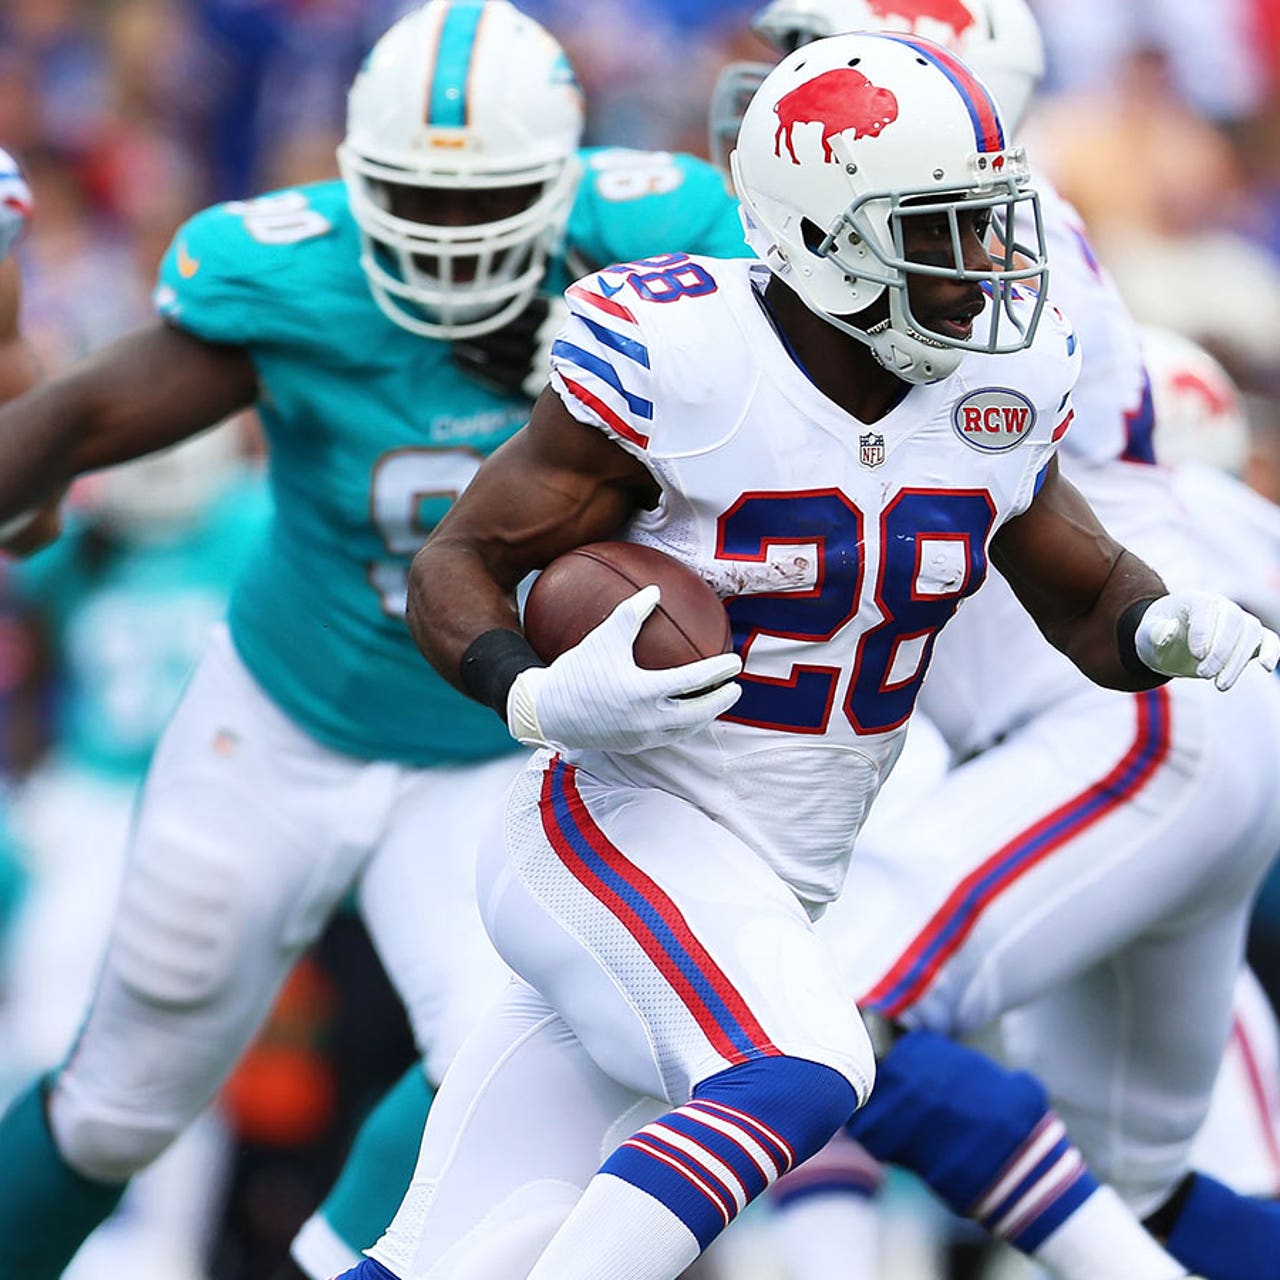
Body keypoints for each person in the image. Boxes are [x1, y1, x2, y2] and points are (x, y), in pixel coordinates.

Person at [336, 32, 1275, 1280]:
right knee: (806, 1062)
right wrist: (534, 686)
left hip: (778, 871)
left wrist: (1162, 625)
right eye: (938, 231)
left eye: (986, 223)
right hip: (620, 825)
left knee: (434, 1253)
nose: (981, 267)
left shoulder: (993, 386)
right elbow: (453, 563)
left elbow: (1080, 589)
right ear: (823, 236)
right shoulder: (680, 357)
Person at [0, 4, 755, 1276]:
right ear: (354, 180)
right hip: (282, 720)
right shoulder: (290, 275)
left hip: (494, 752)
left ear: (562, 174)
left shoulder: (653, 253)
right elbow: (78, 419)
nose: (452, 237)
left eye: (489, 201)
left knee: (504, 1086)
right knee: (121, 1098)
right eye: (418, 199)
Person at [710, 7, 1280, 1280]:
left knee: (795, 1011)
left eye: (820, 62)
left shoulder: (930, 271)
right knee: (1137, 1188)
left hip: (1124, 721)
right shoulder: (998, 240)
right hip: (1167, 730)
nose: (772, 88)